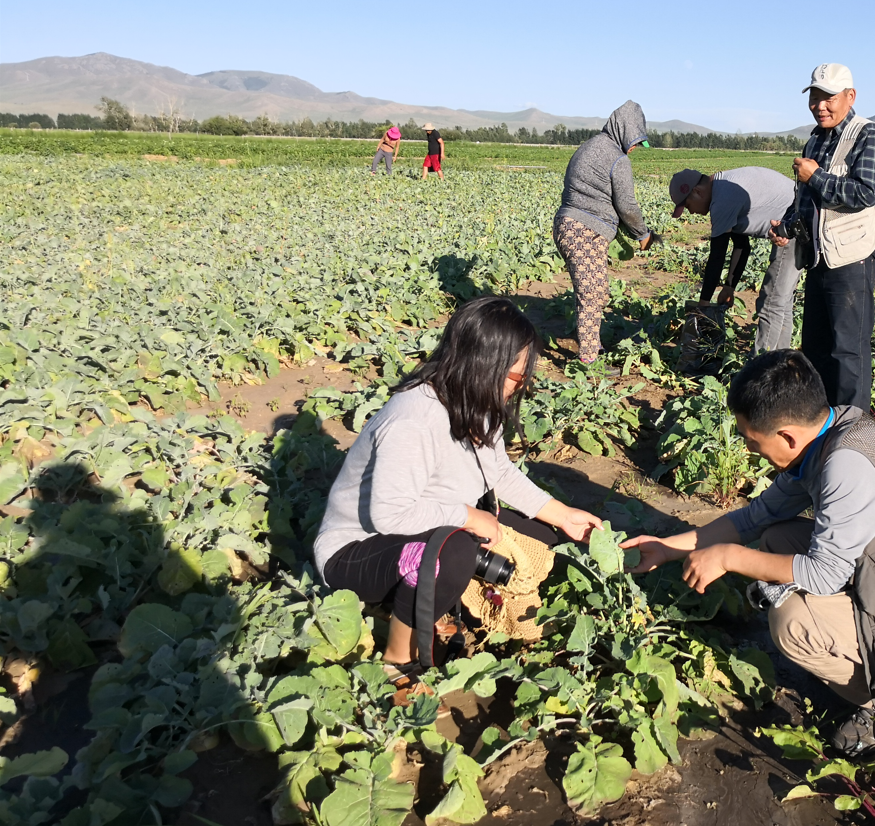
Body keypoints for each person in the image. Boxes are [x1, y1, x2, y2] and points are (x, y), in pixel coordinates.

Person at [623, 351, 875, 754]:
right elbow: (755, 517)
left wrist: (728, 557)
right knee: (777, 539)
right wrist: (666, 548)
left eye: (751, 440)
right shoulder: (827, 434)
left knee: (792, 623)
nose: (749, 449)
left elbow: (824, 574)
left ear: (787, 436)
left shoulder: (846, 465)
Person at [313, 297, 603, 679]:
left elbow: (499, 472)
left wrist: (563, 516)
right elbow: (389, 514)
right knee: (452, 555)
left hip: (424, 526)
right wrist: (469, 517)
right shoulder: (413, 420)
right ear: (484, 366)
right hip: (357, 551)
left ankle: (441, 603)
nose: (520, 387)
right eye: (517, 377)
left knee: (544, 541)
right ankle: (399, 662)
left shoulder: (473, 399)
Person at [772, 63, 875, 409]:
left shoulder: (867, 135)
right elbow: (806, 201)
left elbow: (866, 192)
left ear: (850, 97)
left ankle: (853, 429)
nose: (819, 106)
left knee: (848, 352)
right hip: (818, 258)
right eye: (814, 98)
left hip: (851, 259)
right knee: (816, 348)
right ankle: (823, 423)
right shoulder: (815, 140)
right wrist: (787, 226)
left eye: (829, 98)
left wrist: (817, 177)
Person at [553, 101, 658, 366]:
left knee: (597, 291)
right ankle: (589, 360)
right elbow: (627, 206)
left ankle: (593, 344)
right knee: (591, 292)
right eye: (635, 141)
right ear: (625, 131)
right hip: (584, 231)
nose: (635, 147)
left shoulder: (589, 146)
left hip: (567, 225)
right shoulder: (617, 159)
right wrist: (642, 234)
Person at [668, 167, 799, 366]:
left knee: (772, 302)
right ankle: (782, 364)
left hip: (794, 225)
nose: (691, 211)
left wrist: (703, 304)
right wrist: (729, 286)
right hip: (796, 222)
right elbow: (741, 245)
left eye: (687, 205)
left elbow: (717, 256)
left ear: (697, 191)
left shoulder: (722, 199)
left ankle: (762, 370)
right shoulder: (723, 188)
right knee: (781, 302)